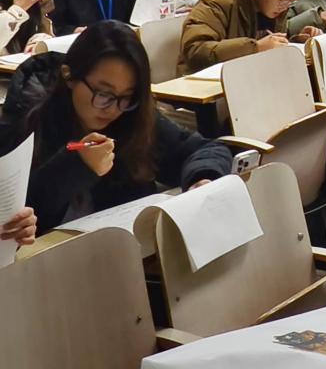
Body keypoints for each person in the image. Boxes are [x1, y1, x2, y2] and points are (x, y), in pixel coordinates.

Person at [0, 21, 232, 233]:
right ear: (69, 76)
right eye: (103, 94)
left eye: (126, 96)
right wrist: (77, 165)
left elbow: (206, 149)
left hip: (128, 251)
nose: (112, 109)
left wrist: (203, 178)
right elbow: (19, 212)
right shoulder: (28, 123)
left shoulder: (130, 117)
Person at [178, 0, 319, 75]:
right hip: (205, 87)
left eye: (292, 0)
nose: (286, 6)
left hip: (249, 80)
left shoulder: (275, 9)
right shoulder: (219, 2)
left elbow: (267, 43)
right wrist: (255, 48)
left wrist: (295, 41)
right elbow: (195, 51)